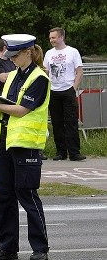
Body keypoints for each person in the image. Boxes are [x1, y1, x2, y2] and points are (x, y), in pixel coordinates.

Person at [0, 34, 50, 260]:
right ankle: (8, 246)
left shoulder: (39, 78)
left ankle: (40, 247)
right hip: (5, 143)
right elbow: (4, 110)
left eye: (16, 55)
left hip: (25, 145)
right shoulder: (12, 78)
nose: (12, 60)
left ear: (28, 52)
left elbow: (21, 110)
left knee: (27, 194)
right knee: (5, 195)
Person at [43, 27, 85, 161]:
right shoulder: (49, 53)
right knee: (57, 122)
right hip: (54, 91)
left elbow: (79, 71)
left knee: (71, 121)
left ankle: (74, 152)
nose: (51, 40)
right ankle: (61, 152)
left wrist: (73, 88)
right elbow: (46, 71)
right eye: (50, 38)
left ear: (61, 37)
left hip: (68, 89)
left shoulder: (72, 52)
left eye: (53, 37)